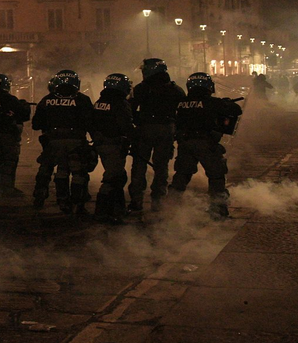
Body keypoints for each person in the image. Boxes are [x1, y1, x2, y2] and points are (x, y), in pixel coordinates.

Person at [170, 72, 242, 220]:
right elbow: (236, 110)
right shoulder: (212, 103)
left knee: (182, 176)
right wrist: (226, 103)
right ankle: (218, 211)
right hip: (206, 144)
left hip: (185, 143)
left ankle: (169, 208)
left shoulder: (181, 103)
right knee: (216, 176)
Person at [31, 72, 95, 215]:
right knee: (79, 173)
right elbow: (91, 122)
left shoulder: (47, 99)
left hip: (52, 142)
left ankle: (56, 199)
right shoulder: (82, 99)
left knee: (56, 170)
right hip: (76, 141)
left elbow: (35, 124)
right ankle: (78, 203)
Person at [129, 59, 186, 213]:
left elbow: (129, 110)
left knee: (139, 166)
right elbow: (183, 113)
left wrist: (136, 123)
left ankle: (136, 201)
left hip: (144, 130)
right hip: (166, 130)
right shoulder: (176, 90)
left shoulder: (140, 89)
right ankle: (158, 202)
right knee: (161, 167)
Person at [91, 73, 134, 223]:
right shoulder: (120, 103)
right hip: (114, 144)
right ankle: (103, 212)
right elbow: (126, 125)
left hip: (101, 144)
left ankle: (117, 210)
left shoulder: (100, 101)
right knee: (113, 178)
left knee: (118, 176)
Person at [0, 73, 31, 197]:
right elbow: (23, 115)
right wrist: (24, 106)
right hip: (8, 134)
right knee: (9, 162)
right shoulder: (9, 99)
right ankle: (8, 188)